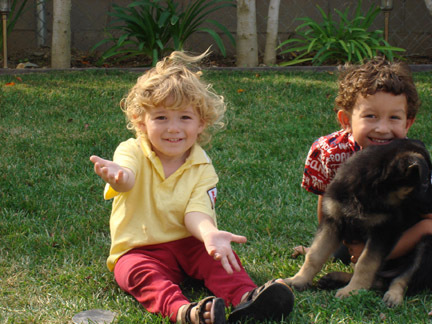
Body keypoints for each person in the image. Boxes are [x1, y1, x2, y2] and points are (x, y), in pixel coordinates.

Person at [90, 50, 294, 324]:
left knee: (219, 257)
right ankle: (186, 312)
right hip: (140, 249)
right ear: (141, 122)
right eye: (161, 118)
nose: (173, 128)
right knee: (135, 272)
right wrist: (119, 176)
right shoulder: (132, 150)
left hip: (189, 244)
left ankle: (249, 298)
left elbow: (195, 212)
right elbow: (128, 177)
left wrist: (209, 234)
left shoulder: (202, 166)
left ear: (201, 123)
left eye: (184, 118)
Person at [293, 56, 432, 265]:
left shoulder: (411, 162)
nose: (382, 129)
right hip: (361, 226)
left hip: (405, 229)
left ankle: (376, 259)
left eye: (394, 118)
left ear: (407, 123)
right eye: (370, 116)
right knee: (340, 254)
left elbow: (427, 217)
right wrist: (327, 245)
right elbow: (327, 200)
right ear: (346, 120)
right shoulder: (330, 152)